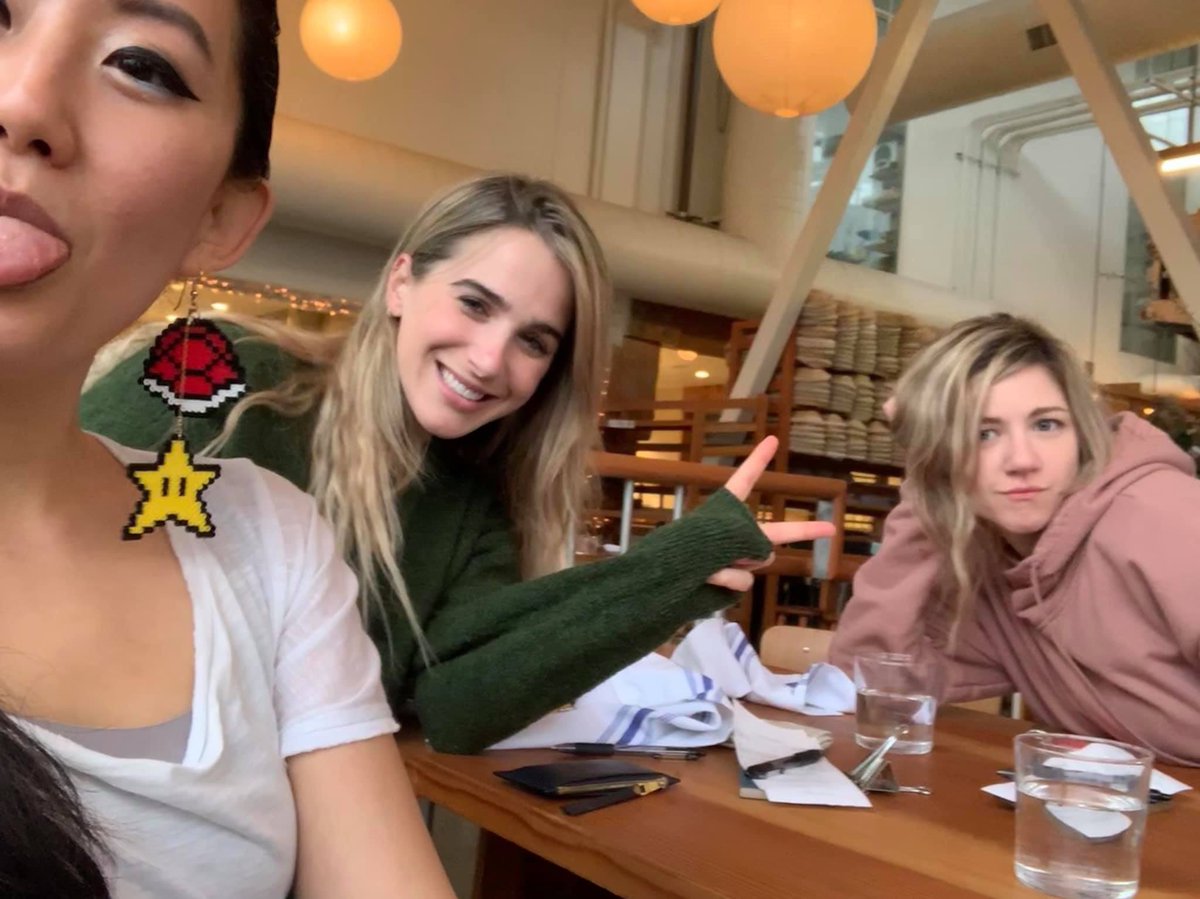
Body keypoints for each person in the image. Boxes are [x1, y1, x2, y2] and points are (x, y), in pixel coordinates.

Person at [83, 173, 835, 754]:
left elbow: (456, 704)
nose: (489, 360)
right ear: (401, 282)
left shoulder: (475, 499)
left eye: (533, 341)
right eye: (475, 304)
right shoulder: (221, 376)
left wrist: (676, 574)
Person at [0, 0, 454, 895]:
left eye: (142, 65)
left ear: (221, 217)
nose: (23, 103)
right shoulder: (250, 380)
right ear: (399, 287)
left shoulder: (270, 533)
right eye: (474, 305)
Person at [829, 313, 1200, 766]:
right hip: (1120, 802)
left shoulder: (1164, 515)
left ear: (1081, 433)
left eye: (1046, 425)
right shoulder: (991, 563)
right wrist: (927, 490)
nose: (1022, 460)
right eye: (982, 434)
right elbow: (870, 686)